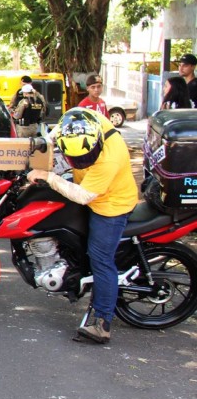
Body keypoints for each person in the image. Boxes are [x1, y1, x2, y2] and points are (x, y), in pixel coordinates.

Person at [28, 108, 136, 344]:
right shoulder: (78, 119)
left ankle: (103, 322)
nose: (82, 162)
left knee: (100, 258)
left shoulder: (109, 158)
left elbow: (83, 196)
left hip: (110, 206)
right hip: (90, 188)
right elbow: (55, 131)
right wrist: (46, 143)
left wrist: (49, 177)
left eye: (87, 157)